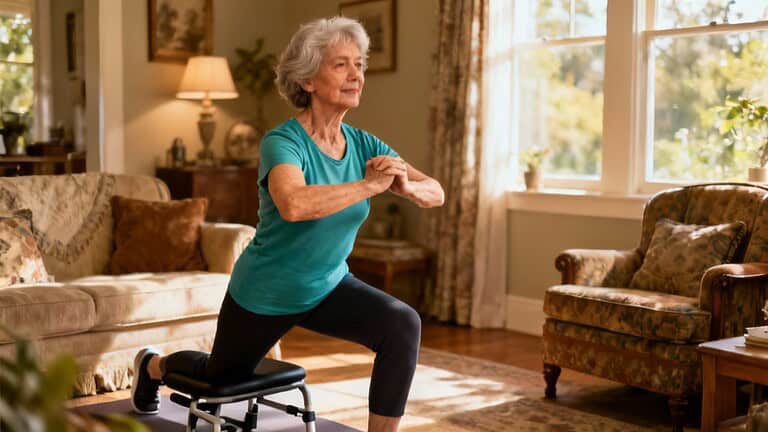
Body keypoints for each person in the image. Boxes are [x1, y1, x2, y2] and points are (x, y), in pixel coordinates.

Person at [130, 16, 444, 432]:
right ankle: (152, 365)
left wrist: (406, 186)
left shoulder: (366, 144)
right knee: (219, 376)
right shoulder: (282, 142)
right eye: (341, 65)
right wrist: (369, 185)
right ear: (309, 80)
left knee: (402, 322)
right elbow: (294, 204)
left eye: (360, 65)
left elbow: (436, 191)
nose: (356, 75)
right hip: (266, 291)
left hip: (328, 285)